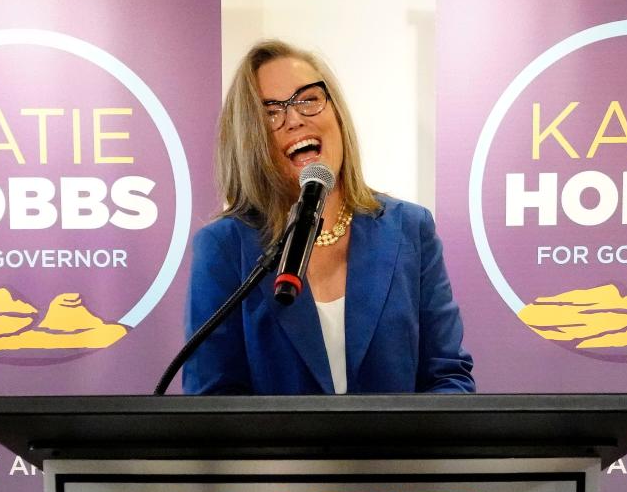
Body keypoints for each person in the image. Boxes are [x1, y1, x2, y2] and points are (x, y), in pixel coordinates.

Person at [182, 39, 474, 394]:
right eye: (270, 111)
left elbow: (447, 378)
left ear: (336, 113)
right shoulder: (224, 246)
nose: (294, 120)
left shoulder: (410, 229)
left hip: (399, 451)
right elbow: (213, 400)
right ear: (250, 140)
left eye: (308, 100)